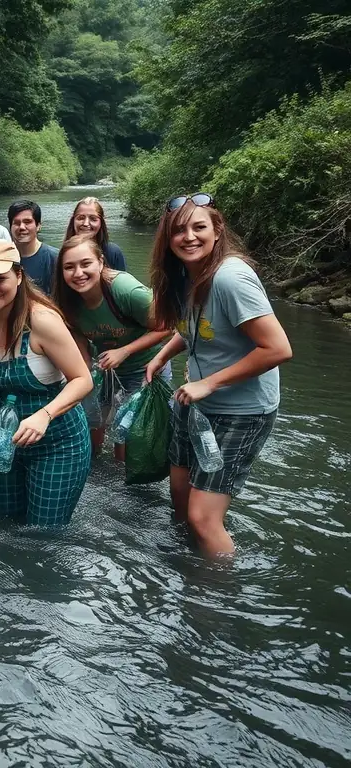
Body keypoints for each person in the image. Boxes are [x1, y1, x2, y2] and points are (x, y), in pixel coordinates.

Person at [144, 193, 292, 557]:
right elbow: (197, 328)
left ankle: (215, 603)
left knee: (202, 518)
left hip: (241, 410)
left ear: (217, 229)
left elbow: (277, 349)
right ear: (168, 238)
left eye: (199, 227)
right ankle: (185, 566)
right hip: (195, 402)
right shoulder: (183, 275)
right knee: (179, 495)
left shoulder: (231, 278)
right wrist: (162, 355)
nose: (189, 237)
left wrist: (208, 382)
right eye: (179, 230)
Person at [0, 240, 93, 526]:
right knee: (5, 523)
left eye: (0, 279)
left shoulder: (42, 320)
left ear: (19, 276)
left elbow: (83, 380)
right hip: (3, 441)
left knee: (42, 531)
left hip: (58, 443)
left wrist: (44, 416)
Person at [52, 236, 172, 457]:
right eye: (69, 267)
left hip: (146, 368)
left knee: (129, 442)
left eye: (85, 264)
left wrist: (125, 351)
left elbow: (169, 326)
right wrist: (84, 368)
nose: (78, 273)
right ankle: (97, 475)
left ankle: (123, 482)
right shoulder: (66, 299)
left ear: (101, 262)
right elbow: (76, 332)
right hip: (106, 368)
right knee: (91, 426)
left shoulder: (126, 290)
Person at [7, 200, 58, 294]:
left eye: (27, 222)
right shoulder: (3, 258)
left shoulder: (55, 258)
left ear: (38, 226)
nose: (21, 227)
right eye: (16, 223)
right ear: (10, 226)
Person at [64, 197, 127, 271]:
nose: (86, 223)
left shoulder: (113, 252)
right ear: (73, 221)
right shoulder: (64, 252)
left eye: (93, 219)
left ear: (101, 223)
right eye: (81, 218)